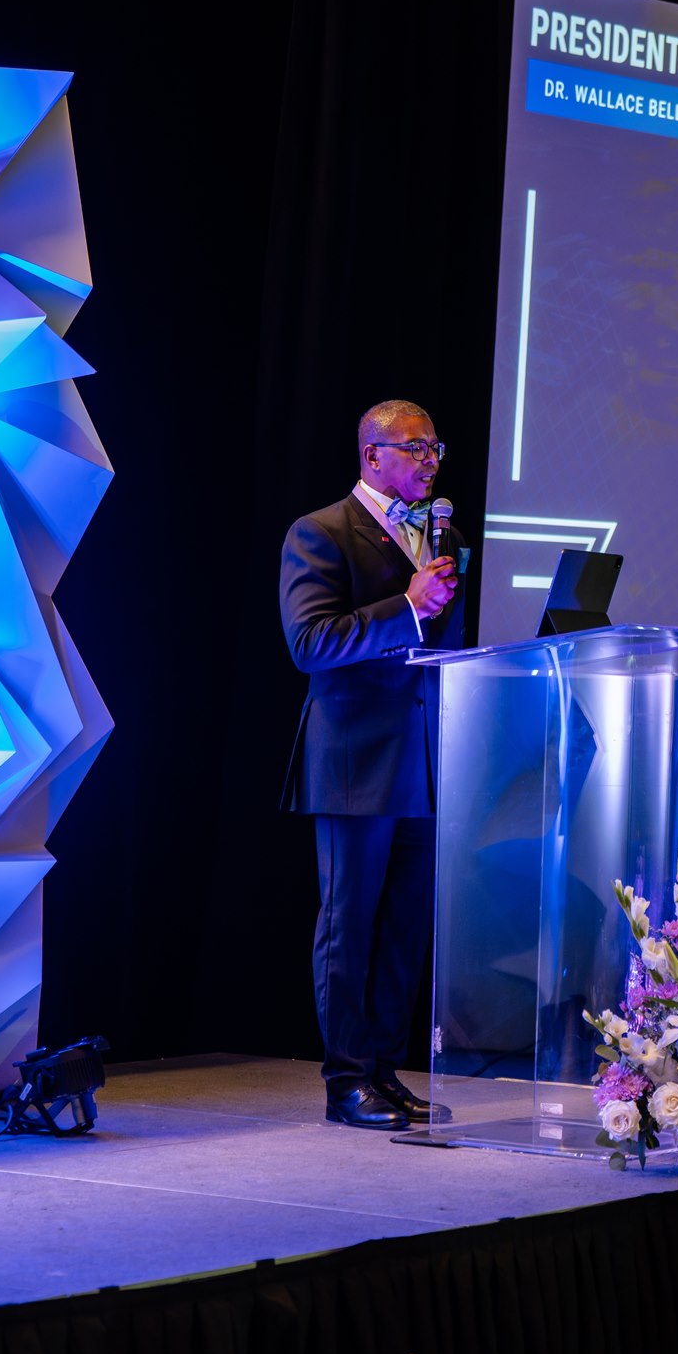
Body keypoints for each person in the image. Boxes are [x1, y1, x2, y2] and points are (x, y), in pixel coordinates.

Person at [279, 400, 464, 1129]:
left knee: (402, 927)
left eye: (434, 448)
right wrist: (406, 604)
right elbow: (310, 644)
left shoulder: (440, 536)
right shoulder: (318, 532)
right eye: (415, 448)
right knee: (348, 924)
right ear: (372, 454)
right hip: (354, 759)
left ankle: (384, 1071)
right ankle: (345, 1080)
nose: (429, 461)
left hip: (421, 758)